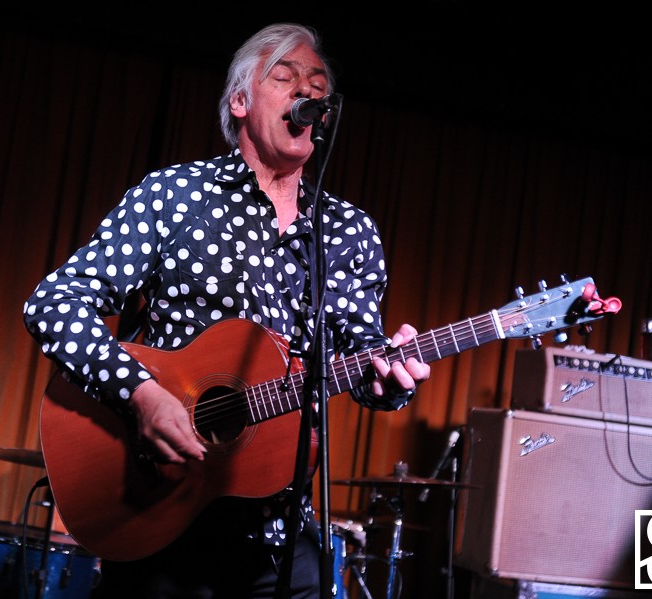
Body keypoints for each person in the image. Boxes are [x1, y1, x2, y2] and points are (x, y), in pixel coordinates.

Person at [23, 22, 430, 598]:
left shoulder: (348, 231)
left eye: (318, 86)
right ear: (239, 102)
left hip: (278, 529)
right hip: (159, 509)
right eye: (285, 78)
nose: (307, 92)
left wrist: (391, 376)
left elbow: (363, 362)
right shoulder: (175, 195)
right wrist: (141, 395)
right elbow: (54, 303)